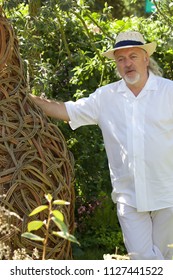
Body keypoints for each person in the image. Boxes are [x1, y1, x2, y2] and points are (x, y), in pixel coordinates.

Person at [30, 30, 173, 260]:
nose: (127, 64)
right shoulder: (105, 97)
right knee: (143, 261)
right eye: (121, 59)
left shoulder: (169, 92)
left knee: (168, 259)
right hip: (130, 198)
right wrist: (23, 95)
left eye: (133, 56)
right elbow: (66, 110)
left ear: (146, 58)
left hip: (168, 194)